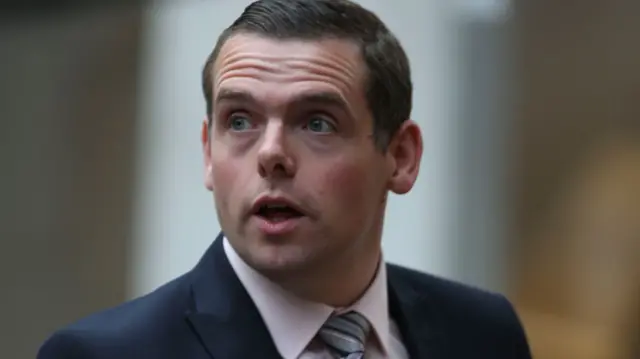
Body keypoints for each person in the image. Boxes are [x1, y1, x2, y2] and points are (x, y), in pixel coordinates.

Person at [37, 0, 532, 358]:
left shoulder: (482, 332)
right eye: (240, 121)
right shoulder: (107, 353)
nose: (271, 154)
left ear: (400, 157)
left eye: (317, 122)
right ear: (208, 152)